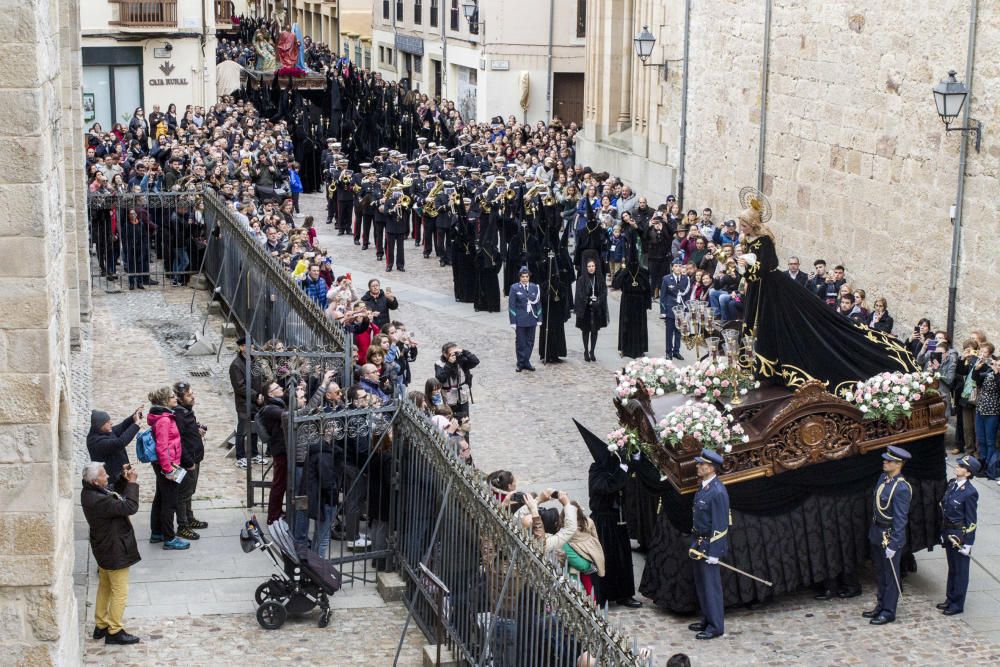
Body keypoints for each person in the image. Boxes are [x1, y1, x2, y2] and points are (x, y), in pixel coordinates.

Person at [736, 196, 916, 395]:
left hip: (770, 289)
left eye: (744, 224)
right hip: (757, 290)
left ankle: (770, 370)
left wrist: (749, 266)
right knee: (754, 324)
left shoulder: (765, 241)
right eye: (741, 224)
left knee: (773, 324)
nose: (741, 228)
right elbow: (749, 270)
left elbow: (768, 265)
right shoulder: (747, 240)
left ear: (753, 225)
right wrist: (742, 265)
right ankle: (752, 366)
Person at [81, 461, 141, 645]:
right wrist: (132, 484)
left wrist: (122, 479)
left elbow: (111, 490)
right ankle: (114, 630)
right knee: (120, 591)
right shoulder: (100, 500)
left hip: (103, 547)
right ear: (95, 481)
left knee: (105, 586)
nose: (107, 476)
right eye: (103, 474)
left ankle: (101, 625)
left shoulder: (90, 492)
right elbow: (130, 507)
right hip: (115, 549)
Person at [583, 429, 641, 609]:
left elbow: (627, 479)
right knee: (605, 558)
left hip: (619, 519)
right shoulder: (596, 471)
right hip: (603, 522)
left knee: (623, 558)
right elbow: (608, 486)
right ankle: (604, 595)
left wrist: (633, 458)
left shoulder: (614, 467)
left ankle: (624, 594)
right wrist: (622, 469)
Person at [863, 445, 912, 625]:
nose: (885, 462)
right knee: (880, 574)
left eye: (889, 460)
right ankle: (881, 604)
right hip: (877, 531)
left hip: (889, 535)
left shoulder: (901, 488)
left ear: (898, 464)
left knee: (890, 575)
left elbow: (900, 519)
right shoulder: (883, 478)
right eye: (885, 459)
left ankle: (889, 610)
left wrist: (895, 543)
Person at [689, 448, 729, 640]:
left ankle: (715, 625)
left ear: (711, 468)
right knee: (701, 585)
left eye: (702, 464)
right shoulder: (704, 487)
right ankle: (707, 618)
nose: (698, 466)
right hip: (698, 541)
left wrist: (715, 552)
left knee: (711, 587)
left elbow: (721, 524)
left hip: (708, 545)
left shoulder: (718, 492)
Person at [937, 455, 980, 616]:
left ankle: (957, 603)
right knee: (953, 568)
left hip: (959, 536)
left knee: (961, 571)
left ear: (968, 473)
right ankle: (950, 598)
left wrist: (968, 543)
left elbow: (971, 520)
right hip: (949, 532)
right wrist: (943, 532)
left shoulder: (970, 493)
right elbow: (945, 509)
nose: (957, 467)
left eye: (962, 466)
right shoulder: (952, 484)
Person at [147, 386, 188, 550]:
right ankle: (169, 538)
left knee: (160, 498)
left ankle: (156, 532)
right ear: (165, 401)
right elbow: (162, 447)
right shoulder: (164, 420)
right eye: (172, 397)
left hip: (165, 464)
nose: (175, 399)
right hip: (167, 465)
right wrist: (169, 470)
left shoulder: (164, 417)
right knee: (169, 502)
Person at [172, 382, 208, 541]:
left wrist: (196, 429)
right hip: (187, 461)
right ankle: (183, 525)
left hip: (194, 458)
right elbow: (178, 441)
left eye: (192, 393)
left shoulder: (186, 412)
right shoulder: (179, 414)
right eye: (188, 395)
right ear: (180, 398)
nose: (192, 396)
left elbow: (187, 432)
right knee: (183, 494)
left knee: (190, 492)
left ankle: (189, 518)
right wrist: (188, 462)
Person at [229, 336, 263, 470]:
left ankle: (254, 453)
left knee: (255, 428)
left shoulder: (255, 362)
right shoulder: (236, 365)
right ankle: (240, 456)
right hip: (244, 402)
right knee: (242, 430)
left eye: (253, 346)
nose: (252, 348)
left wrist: (261, 394)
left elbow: (259, 380)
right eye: (249, 346)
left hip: (256, 402)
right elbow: (240, 387)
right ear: (242, 347)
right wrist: (256, 396)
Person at [86, 408, 142, 484]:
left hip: (121, 477)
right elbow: (119, 443)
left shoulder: (105, 432)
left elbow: (123, 426)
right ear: (100, 425)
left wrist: (133, 417)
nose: (111, 423)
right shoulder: (95, 441)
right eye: (108, 422)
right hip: (111, 481)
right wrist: (136, 424)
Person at [972, 343, 1000, 474]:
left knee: (990, 441)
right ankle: (982, 463)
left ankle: (990, 466)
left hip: (992, 411)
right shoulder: (989, 371)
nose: (997, 367)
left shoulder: (997, 376)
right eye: (997, 364)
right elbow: (977, 380)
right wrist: (977, 369)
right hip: (981, 408)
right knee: (981, 439)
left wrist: (996, 374)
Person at [574, 258, 609, 362]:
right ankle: (585, 350)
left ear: (595, 267)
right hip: (586, 309)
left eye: (593, 266)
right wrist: (588, 300)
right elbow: (579, 294)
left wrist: (598, 302)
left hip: (597, 309)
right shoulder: (581, 279)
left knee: (594, 331)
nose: (591, 268)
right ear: (586, 267)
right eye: (589, 266)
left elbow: (604, 292)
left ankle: (592, 351)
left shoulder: (600, 278)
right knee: (586, 331)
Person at [508, 266, 543, 372]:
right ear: (520, 277)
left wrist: (540, 318)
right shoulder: (514, 288)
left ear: (529, 277)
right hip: (520, 320)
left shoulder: (534, 287)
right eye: (523, 277)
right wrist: (513, 322)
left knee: (530, 342)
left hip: (532, 319)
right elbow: (512, 305)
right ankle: (520, 363)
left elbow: (538, 304)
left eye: (526, 276)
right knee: (520, 342)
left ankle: (526, 362)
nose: (524, 278)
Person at [434, 342, 479, 421]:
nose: (455, 355)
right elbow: (440, 379)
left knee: (465, 420)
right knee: (451, 420)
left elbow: (475, 361)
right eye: (452, 353)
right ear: (445, 354)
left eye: (456, 352)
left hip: (462, 396)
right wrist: (449, 364)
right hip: (448, 398)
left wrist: (463, 351)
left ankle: (465, 433)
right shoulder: (439, 364)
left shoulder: (461, 360)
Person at [661, 259, 690, 360]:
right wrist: (663, 311)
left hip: (681, 309)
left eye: (680, 266)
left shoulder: (686, 279)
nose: (678, 268)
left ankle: (676, 351)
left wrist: (687, 310)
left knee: (678, 331)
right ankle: (668, 352)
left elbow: (687, 296)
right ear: (672, 267)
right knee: (669, 332)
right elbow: (663, 296)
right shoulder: (666, 279)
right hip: (670, 308)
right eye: (676, 266)